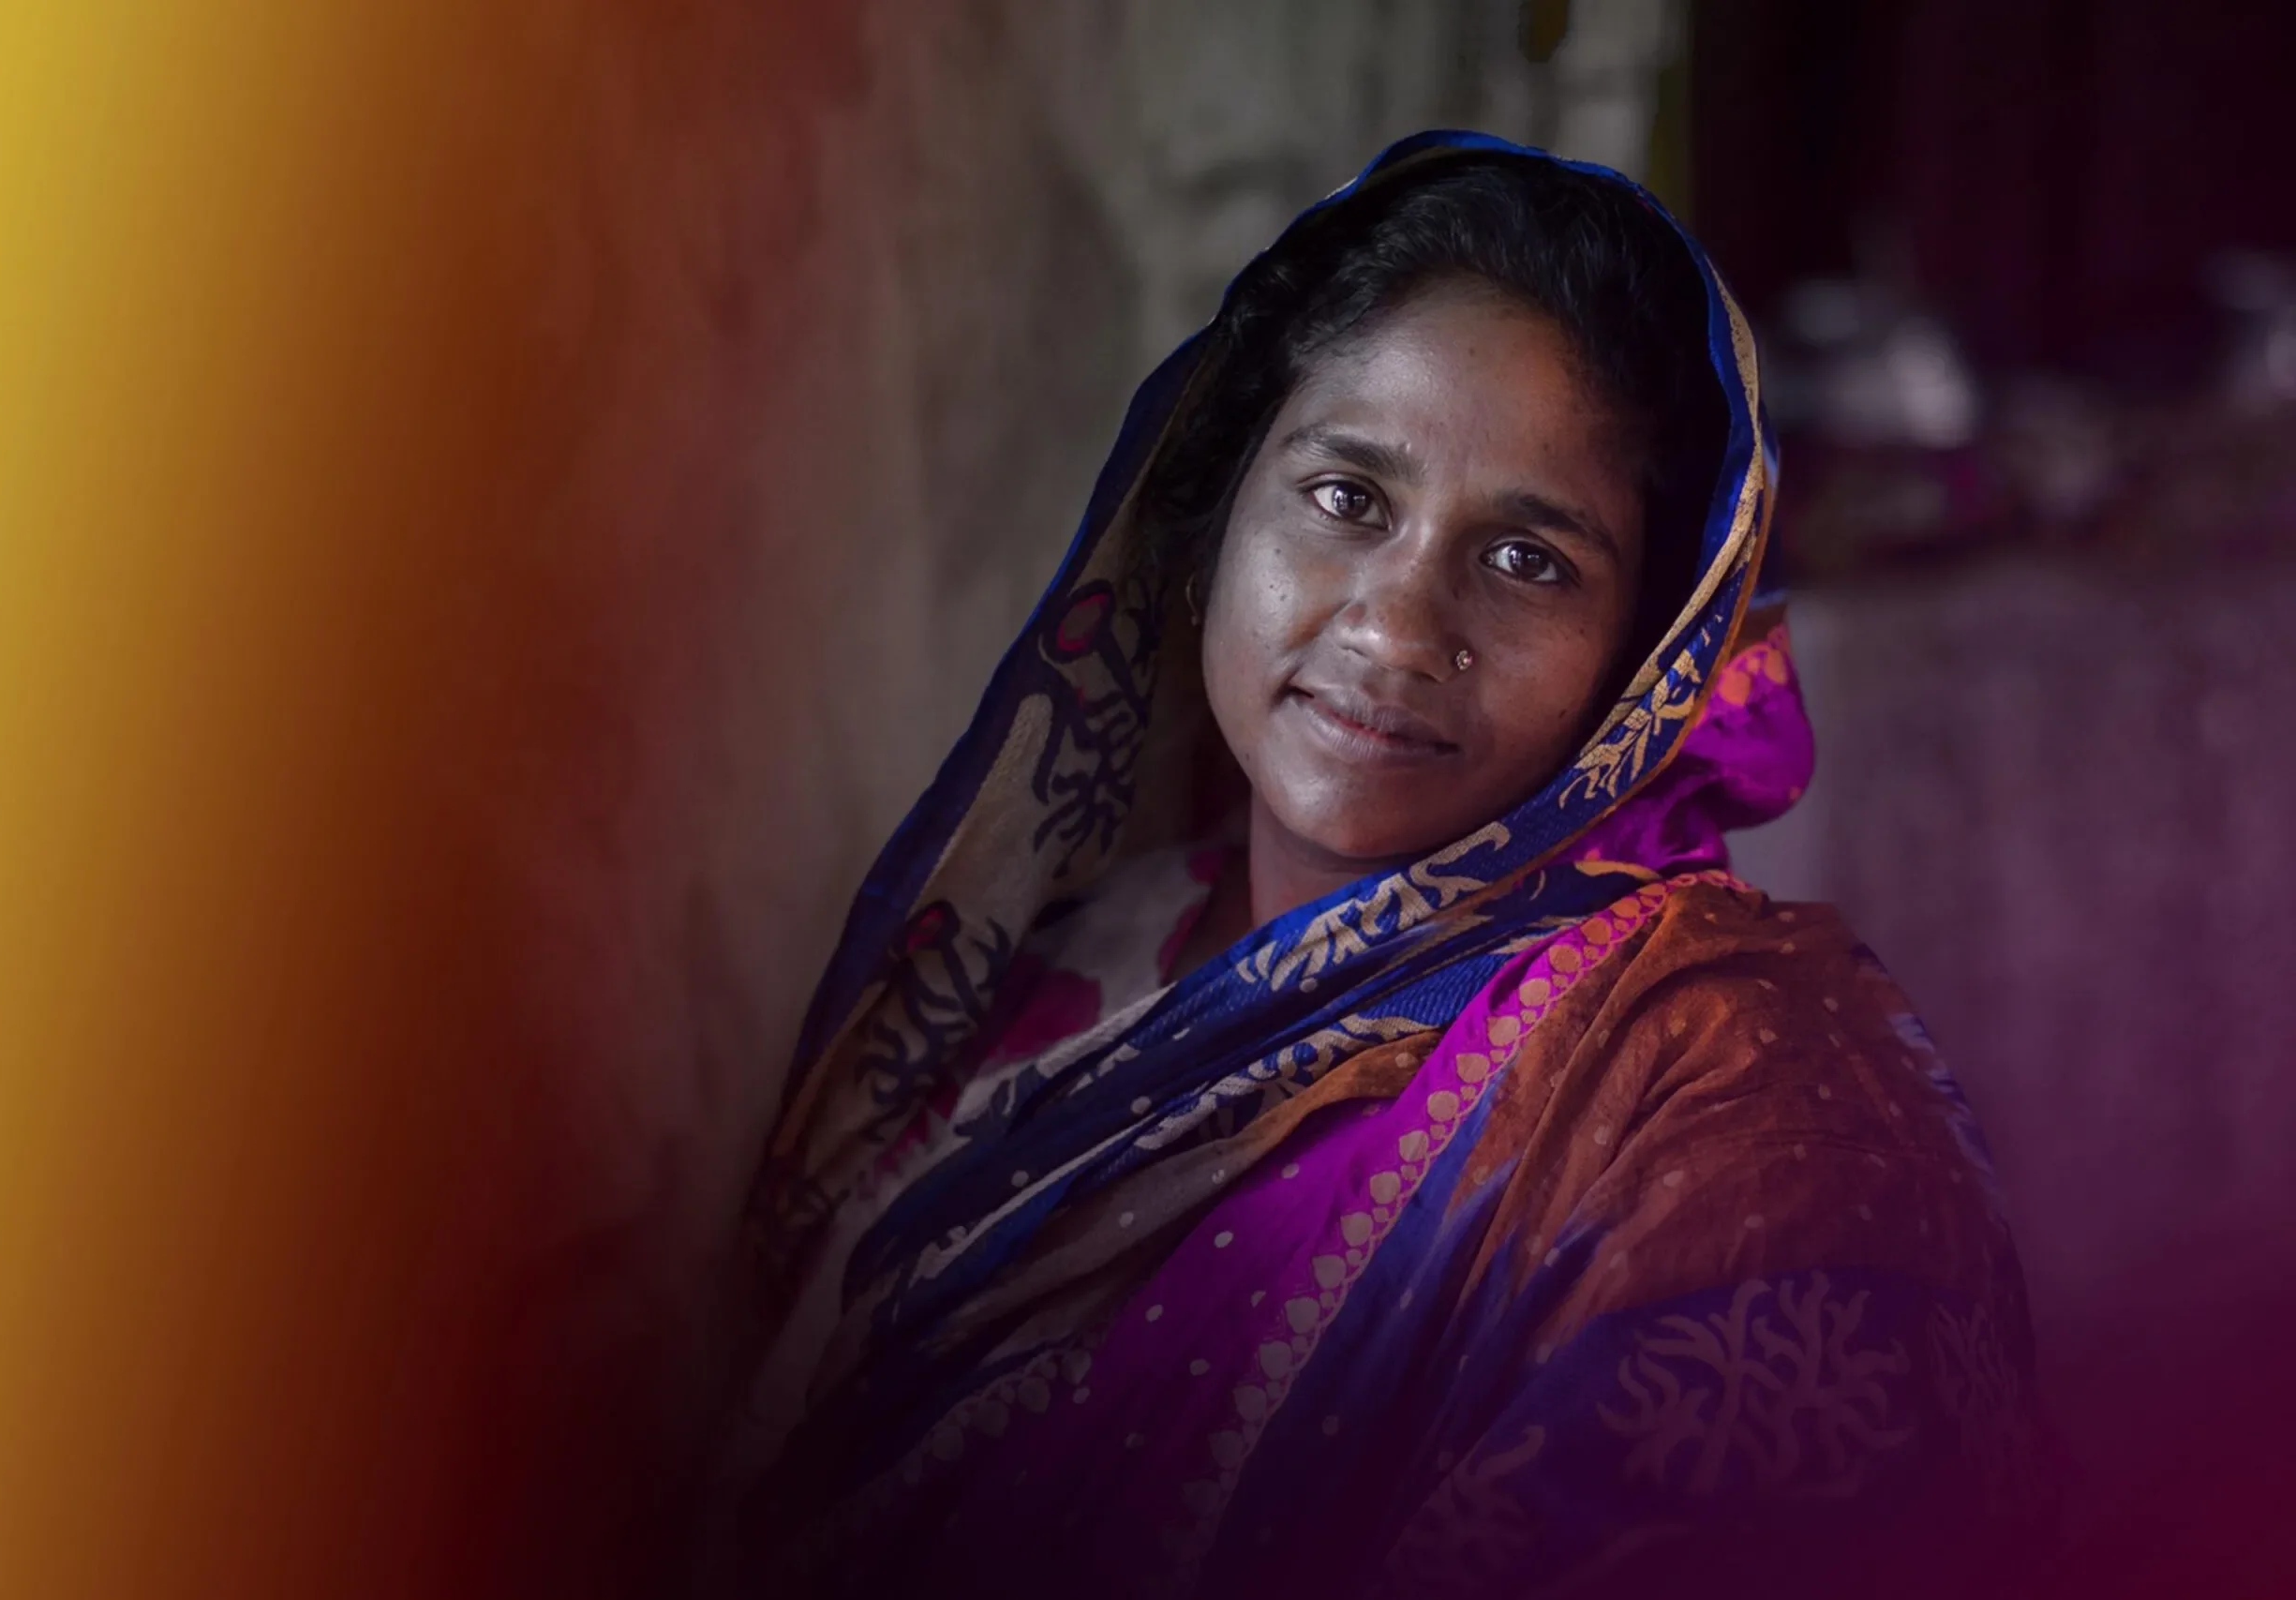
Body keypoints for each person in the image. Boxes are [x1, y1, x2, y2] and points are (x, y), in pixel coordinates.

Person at [724, 133, 2044, 1598]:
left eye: (1530, 559)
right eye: (1347, 498)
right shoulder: (1066, 969)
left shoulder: (1733, 1090)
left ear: (1647, 659)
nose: (1398, 628)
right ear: (1219, 507)